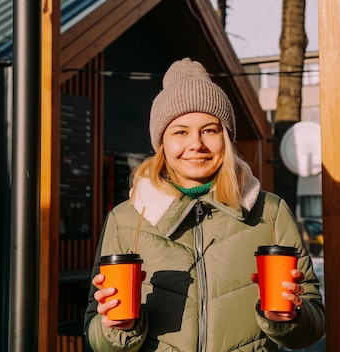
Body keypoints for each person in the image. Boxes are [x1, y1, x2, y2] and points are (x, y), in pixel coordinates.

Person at [84, 58, 325, 351]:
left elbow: (313, 326)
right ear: (162, 142)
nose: (196, 144)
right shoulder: (126, 218)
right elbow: (95, 336)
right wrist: (117, 328)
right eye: (180, 132)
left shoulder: (270, 212)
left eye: (209, 130)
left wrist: (289, 318)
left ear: (225, 138)